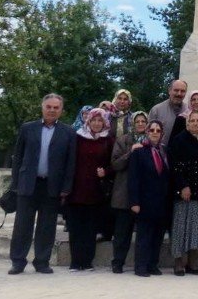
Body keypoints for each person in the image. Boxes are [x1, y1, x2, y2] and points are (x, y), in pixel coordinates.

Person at [9, 94, 76, 275]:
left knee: (47, 226)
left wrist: (66, 188)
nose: (52, 110)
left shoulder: (68, 132)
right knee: (22, 225)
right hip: (28, 184)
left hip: (51, 186)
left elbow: (70, 163)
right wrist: (15, 183)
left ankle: (42, 261)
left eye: (56, 107)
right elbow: (18, 158)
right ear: (42, 107)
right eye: (49, 107)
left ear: (61, 110)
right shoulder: (27, 128)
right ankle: (18, 261)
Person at [65, 107, 114, 271]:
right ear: (88, 121)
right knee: (76, 228)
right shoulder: (78, 137)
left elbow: (113, 163)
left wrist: (105, 172)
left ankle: (87, 261)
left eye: (100, 120)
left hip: (96, 191)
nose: (97, 123)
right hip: (77, 190)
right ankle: (75, 261)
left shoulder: (108, 140)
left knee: (90, 229)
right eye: (94, 120)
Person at [168, 109, 198, 276]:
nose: (195, 123)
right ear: (187, 123)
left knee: (197, 230)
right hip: (185, 193)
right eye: (192, 120)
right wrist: (183, 186)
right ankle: (179, 264)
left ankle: (192, 264)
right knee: (182, 228)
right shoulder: (179, 140)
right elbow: (174, 166)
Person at [128, 120, 170, 277]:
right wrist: (134, 202)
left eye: (158, 130)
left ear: (161, 134)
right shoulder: (139, 152)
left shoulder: (164, 152)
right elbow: (133, 179)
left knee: (157, 236)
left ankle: (153, 265)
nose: (155, 132)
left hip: (161, 202)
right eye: (151, 129)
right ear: (147, 132)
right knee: (144, 236)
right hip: (144, 201)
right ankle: (141, 266)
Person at [109, 111, 147, 273]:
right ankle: (118, 262)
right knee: (122, 233)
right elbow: (115, 164)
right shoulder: (123, 140)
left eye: (143, 121)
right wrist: (131, 152)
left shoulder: (151, 141)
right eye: (137, 121)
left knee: (144, 233)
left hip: (144, 194)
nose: (140, 124)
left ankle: (143, 264)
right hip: (124, 194)